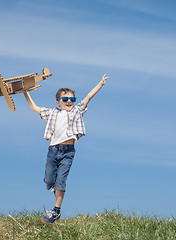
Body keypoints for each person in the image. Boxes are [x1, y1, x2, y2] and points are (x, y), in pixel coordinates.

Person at [23, 74, 109, 225]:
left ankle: (56, 211)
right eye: (65, 99)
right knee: (50, 180)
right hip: (53, 150)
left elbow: (89, 96)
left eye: (72, 99)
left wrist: (100, 83)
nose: (69, 101)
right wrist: (25, 92)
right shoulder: (52, 112)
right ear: (58, 102)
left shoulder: (77, 111)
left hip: (68, 152)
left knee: (61, 182)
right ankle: (53, 185)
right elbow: (34, 108)